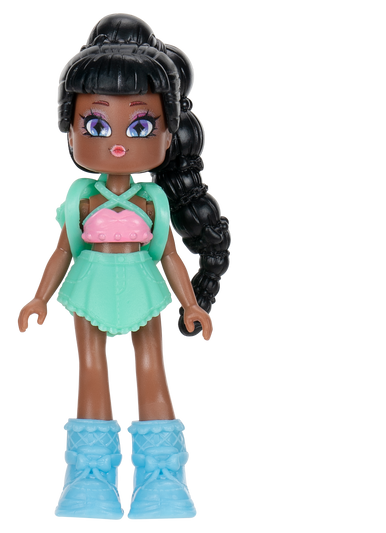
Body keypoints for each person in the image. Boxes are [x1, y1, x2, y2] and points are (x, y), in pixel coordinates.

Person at [16, 11, 233, 522]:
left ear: (168, 134)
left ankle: (163, 477)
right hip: (89, 285)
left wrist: (191, 303)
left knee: (152, 368)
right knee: (91, 371)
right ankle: (89, 477)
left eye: (140, 126)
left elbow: (170, 254)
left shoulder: (153, 199)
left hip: (143, 284)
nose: (117, 142)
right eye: (95, 124)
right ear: (70, 130)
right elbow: (62, 250)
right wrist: (39, 296)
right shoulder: (80, 197)